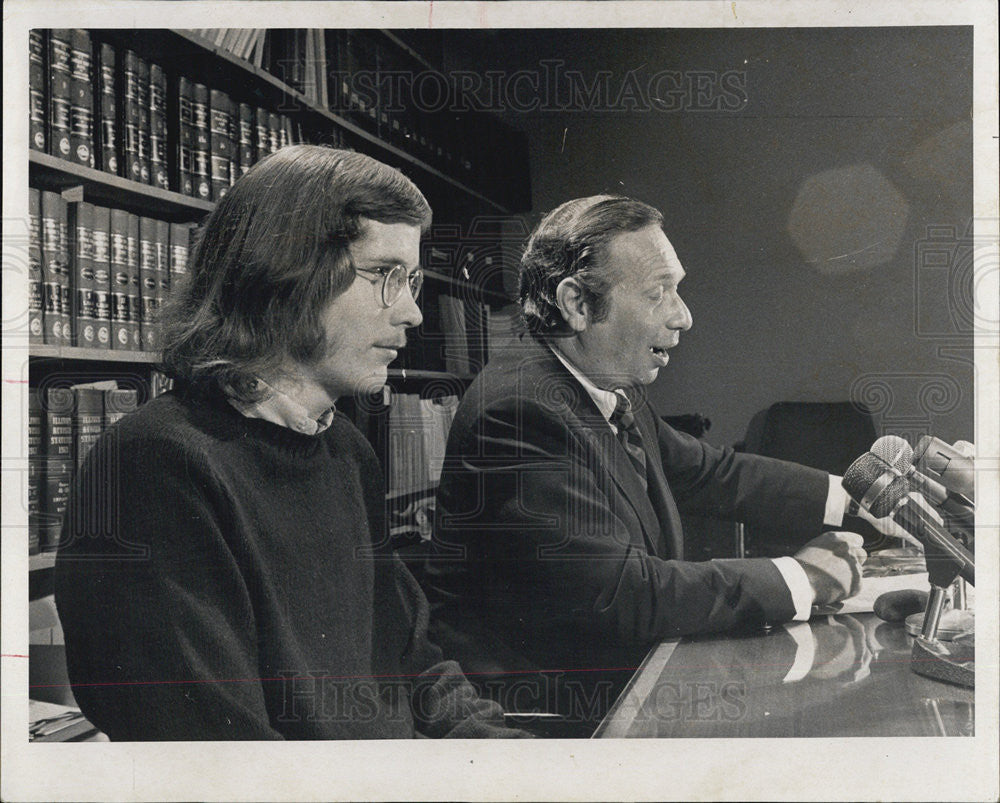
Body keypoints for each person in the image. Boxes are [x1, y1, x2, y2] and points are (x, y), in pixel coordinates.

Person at [54, 145, 528, 740]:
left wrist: (511, 763)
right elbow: (224, 761)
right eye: (385, 276)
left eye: (411, 281)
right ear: (288, 271)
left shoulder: (346, 449)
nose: (413, 313)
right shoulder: (154, 464)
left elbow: (415, 660)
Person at [422, 194, 872, 722]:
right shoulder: (521, 409)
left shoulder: (603, 382)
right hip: (548, 720)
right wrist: (801, 578)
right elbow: (620, 594)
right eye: (659, 293)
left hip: (621, 680)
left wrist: (865, 498)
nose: (683, 317)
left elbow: (712, 473)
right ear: (578, 304)